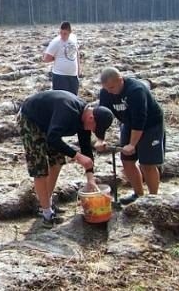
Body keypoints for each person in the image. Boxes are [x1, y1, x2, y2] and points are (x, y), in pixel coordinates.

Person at [19, 90, 113, 228]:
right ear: (91, 118)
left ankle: (46, 203)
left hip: (50, 125)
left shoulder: (84, 119)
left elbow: (86, 149)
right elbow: (53, 138)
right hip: (31, 119)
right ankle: (46, 214)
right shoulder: (68, 111)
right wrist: (77, 156)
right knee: (40, 169)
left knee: (57, 162)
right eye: (94, 129)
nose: (92, 131)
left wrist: (90, 179)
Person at [96, 67, 165, 205]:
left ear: (120, 80)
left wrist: (132, 144)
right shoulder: (105, 92)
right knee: (127, 161)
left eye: (111, 87)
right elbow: (102, 116)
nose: (109, 91)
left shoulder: (136, 90)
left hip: (150, 124)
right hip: (128, 124)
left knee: (147, 164)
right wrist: (100, 139)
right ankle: (138, 194)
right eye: (106, 88)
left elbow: (140, 120)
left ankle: (153, 200)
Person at [42, 21, 81, 95]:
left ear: (70, 32)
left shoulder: (74, 38)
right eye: (61, 33)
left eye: (65, 34)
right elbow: (45, 59)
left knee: (73, 98)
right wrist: (56, 57)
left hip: (73, 76)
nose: (62, 36)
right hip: (60, 76)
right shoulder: (55, 42)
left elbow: (76, 53)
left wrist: (78, 70)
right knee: (61, 99)